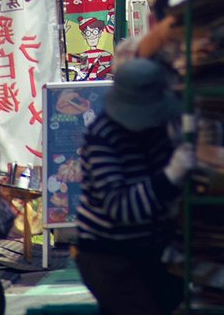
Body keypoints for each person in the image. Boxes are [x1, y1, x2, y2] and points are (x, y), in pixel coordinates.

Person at [75, 58, 195, 315]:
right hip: (107, 253)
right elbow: (122, 208)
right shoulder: (102, 136)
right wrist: (172, 175)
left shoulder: (157, 127)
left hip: (153, 248)